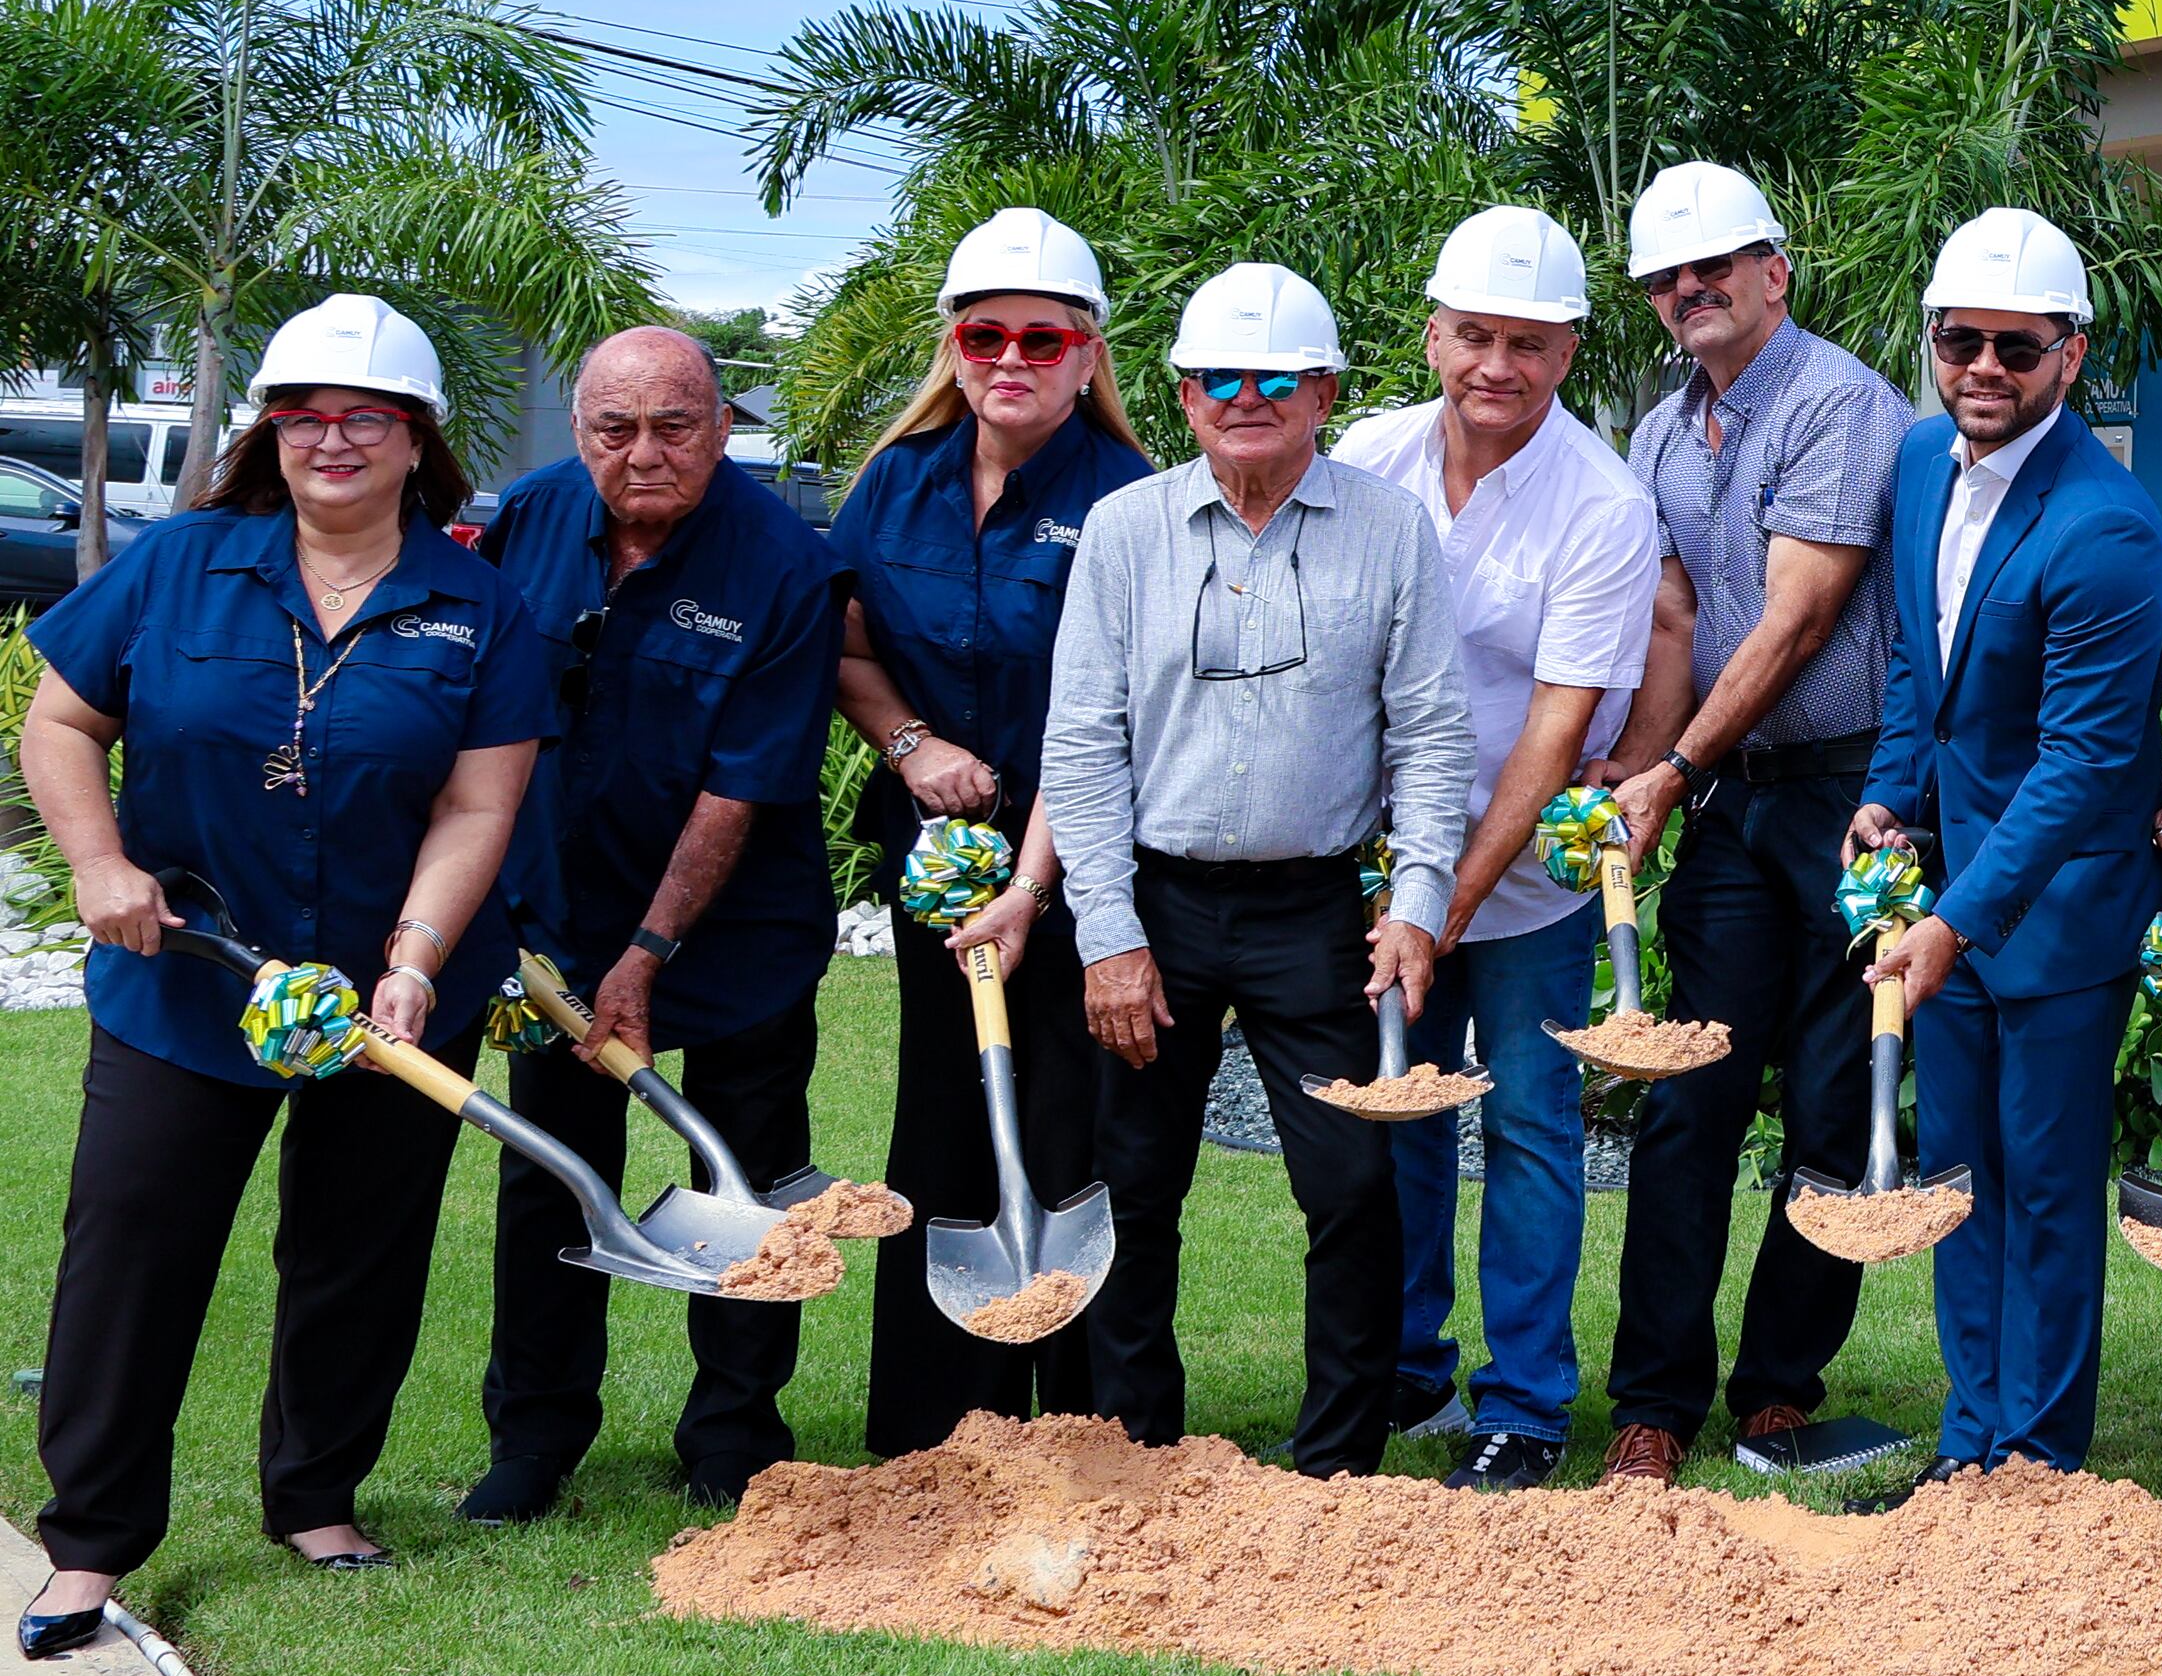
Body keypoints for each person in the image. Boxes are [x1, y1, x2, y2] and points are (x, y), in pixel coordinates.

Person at [15, 301, 553, 1654]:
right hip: (187, 973)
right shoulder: (180, 562)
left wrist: (417, 957)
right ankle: (89, 1544)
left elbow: (477, 807)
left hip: (392, 997)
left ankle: (316, 1499)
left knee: (359, 1250)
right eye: (303, 415)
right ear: (270, 432)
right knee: (132, 1247)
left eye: (366, 416)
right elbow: (62, 720)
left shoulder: (481, 606)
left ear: (417, 440)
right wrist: (98, 863)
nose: (332, 439)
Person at [1043, 263, 1476, 1480]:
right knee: (1133, 1185)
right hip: (1157, 904)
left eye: (1276, 379)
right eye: (1219, 378)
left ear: (1324, 394)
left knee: (1350, 1187)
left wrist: (1417, 902)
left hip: (1313, 910)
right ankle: (1137, 1448)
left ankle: (1337, 1463)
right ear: (1183, 396)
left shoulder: (1389, 529)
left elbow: (1431, 732)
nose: (1247, 398)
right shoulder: (1126, 531)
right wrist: (1106, 933)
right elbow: (1080, 740)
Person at [464, 326, 848, 1520]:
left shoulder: (785, 563)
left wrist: (650, 951)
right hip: (560, 928)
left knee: (748, 1180)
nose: (643, 454)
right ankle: (533, 1440)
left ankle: (733, 1435)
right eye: (613, 428)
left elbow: (740, 787)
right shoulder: (531, 517)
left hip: (737, 936)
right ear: (580, 430)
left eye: (674, 427)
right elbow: (481, 717)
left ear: (723, 428)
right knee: (553, 1176)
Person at [1847, 208, 2162, 1477]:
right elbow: (1916, 666)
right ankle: (1965, 1446)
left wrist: (1952, 919)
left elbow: (2082, 765)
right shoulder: (1921, 461)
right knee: (1956, 1176)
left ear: (2069, 355)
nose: (1984, 367)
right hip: (1953, 892)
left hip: (2056, 910)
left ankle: (2034, 1463)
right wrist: (1889, 796)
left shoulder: (2107, 529)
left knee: (2041, 1190)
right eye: (1960, 340)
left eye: (2016, 347)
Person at [1340, 207, 1664, 1492]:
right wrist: (1398, 889)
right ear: (1433, 336)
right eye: (1474, 334)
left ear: (1568, 354)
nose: (1497, 365)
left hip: (1523, 883)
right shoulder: (1364, 459)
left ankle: (1524, 1405)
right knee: (1401, 1113)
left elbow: (1555, 726)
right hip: (1382, 866)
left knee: (1529, 1126)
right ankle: (1406, 1367)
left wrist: (1451, 898)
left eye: (1528, 344)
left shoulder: (1602, 504)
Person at [824, 206, 1153, 1457]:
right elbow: (844, 648)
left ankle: (1077, 1420)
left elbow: (1106, 715)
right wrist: (911, 746)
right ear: (953, 347)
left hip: (1079, 857)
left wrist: (1033, 882)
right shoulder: (894, 482)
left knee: (1069, 1122)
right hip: (937, 859)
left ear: (1086, 352)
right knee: (943, 1113)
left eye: (1041, 338)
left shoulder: (1125, 498)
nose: (1010, 358)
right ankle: (932, 1428)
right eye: (984, 335)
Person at [1593, 161, 1901, 1485]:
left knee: (1832, 1100)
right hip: (1730, 795)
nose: (1688, 290)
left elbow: (1799, 619)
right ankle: (1652, 1403)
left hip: (1845, 791)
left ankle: (1780, 1390)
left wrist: (1673, 769)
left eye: (1711, 266)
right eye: (1665, 278)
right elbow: (1673, 627)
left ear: (1774, 271)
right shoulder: (1662, 435)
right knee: (1689, 1101)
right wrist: (1639, 773)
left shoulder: (1840, 403)